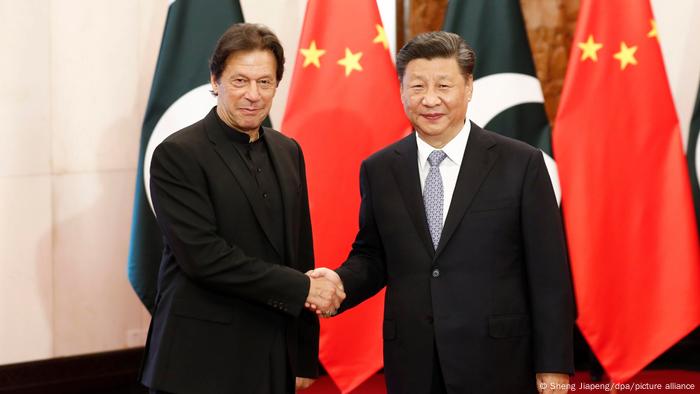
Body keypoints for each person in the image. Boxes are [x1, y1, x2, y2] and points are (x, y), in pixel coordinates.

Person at [308, 31, 574, 394]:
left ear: (468, 87)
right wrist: (339, 283)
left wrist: (554, 366)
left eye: (444, 85)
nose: (430, 99)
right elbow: (373, 256)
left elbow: (549, 274)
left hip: (499, 360)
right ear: (401, 90)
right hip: (414, 361)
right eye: (417, 86)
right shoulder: (381, 168)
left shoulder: (521, 163)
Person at [140, 23, 344, 394]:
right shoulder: (178, 154)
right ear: (215, 80)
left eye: (265, 82)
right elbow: (205, 257)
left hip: (271, 356)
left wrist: (302, 354)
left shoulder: (288, 151)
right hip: (199, 362)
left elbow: (300, 251)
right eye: (240, 81)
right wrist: (302, 288)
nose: (253, 95)